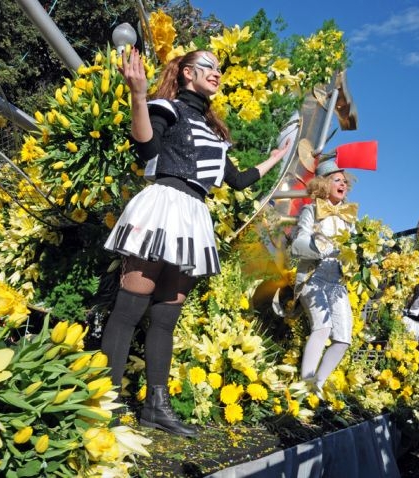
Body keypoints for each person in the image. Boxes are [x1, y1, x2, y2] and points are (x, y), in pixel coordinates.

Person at [101, 48, 290, 437]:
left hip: (193, 215)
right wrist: (138, 95)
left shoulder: (215, 131)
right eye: (210, 67)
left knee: (167, 317)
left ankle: (156, 407)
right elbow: (147, 148)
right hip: (163, 204)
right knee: (129, 306)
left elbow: (236, 181)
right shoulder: (166, 107)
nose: (218, 74)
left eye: (219, 69)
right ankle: (105, 400)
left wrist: (275, 159)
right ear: (188, 72)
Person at [290, 160, 357, 400]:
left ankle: (316, 386)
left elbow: (357, 251)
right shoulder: (311, 210)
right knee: (323, 327)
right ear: (323, 183)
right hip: (313, 277)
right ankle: (304, 386)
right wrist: (320, 248)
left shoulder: (350, 219)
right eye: (337, 180)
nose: (343, 184)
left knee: (343, 339)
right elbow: (296, 246)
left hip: (337, 284)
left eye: (345, 181)